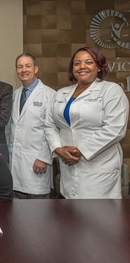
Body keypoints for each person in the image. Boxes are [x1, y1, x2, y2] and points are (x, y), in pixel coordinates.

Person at [45, 47, 129, 199]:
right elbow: (50, 125)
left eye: (88, 62)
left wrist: (80, 150)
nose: (82, 66)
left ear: (99, 67)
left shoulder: (111, 90)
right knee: (71, 213)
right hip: (68, 164)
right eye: (77, 63)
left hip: (98, 166)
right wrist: (58, 149)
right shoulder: (62, 93)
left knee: (97, 215)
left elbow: (116, 129)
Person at [6, 53, 56, 199]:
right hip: (15, 163)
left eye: (28, 66)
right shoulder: (15, 95)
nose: (24, 70)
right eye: (20, 67)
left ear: (35, 69)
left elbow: (52, 129)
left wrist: (44, 158)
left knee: (37, 212)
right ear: (16, 71)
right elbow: (11, 129)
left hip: (37, 162)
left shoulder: (50, 95)